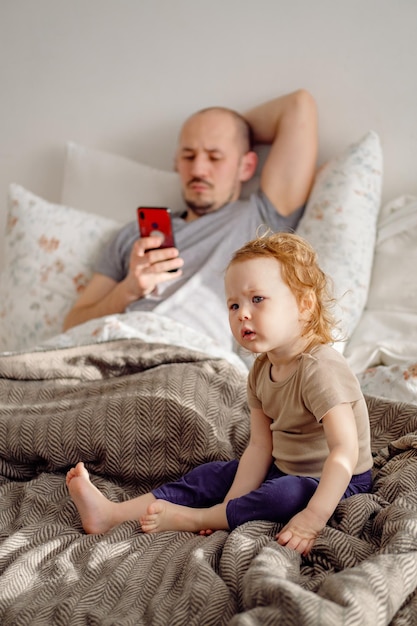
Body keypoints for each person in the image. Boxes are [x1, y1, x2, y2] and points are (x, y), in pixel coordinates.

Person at [66, 232, 373, 556]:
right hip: (283, 468)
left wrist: (313, 517)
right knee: (211, 475)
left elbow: (344, 452)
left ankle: (197, 518)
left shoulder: (320, 369)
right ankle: (111, 514)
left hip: (340, 481)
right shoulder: (259, 371)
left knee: (284, 494)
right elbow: (258, 447)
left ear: (304, 305)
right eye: (234, 304)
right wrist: (231, 502)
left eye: (257, 299)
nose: (242, 313)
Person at [62, 90, 318, 354]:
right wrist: (128, 289)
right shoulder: (132, 236)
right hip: (114, 345)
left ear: (246, 166)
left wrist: (233, 129)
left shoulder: (261, 217)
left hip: (189, 353)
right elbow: (72, 326)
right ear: (176, 162)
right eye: (188, 155)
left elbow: (298, 106)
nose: (198, 169)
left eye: (215, 156)